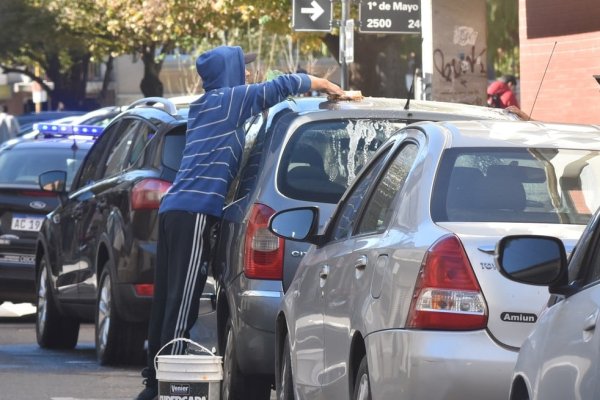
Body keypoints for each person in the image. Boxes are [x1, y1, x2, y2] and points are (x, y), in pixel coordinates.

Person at [134, 45, 343, 400]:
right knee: (183, 300)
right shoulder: (228, 100)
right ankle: (165, 387)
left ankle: (154, 381)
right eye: (242, 69)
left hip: (175, 210)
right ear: (228, 75)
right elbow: (282, 85)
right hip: (194, 211)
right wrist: (327, 85)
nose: (248, 74)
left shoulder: (208, 106)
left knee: (168, 299)